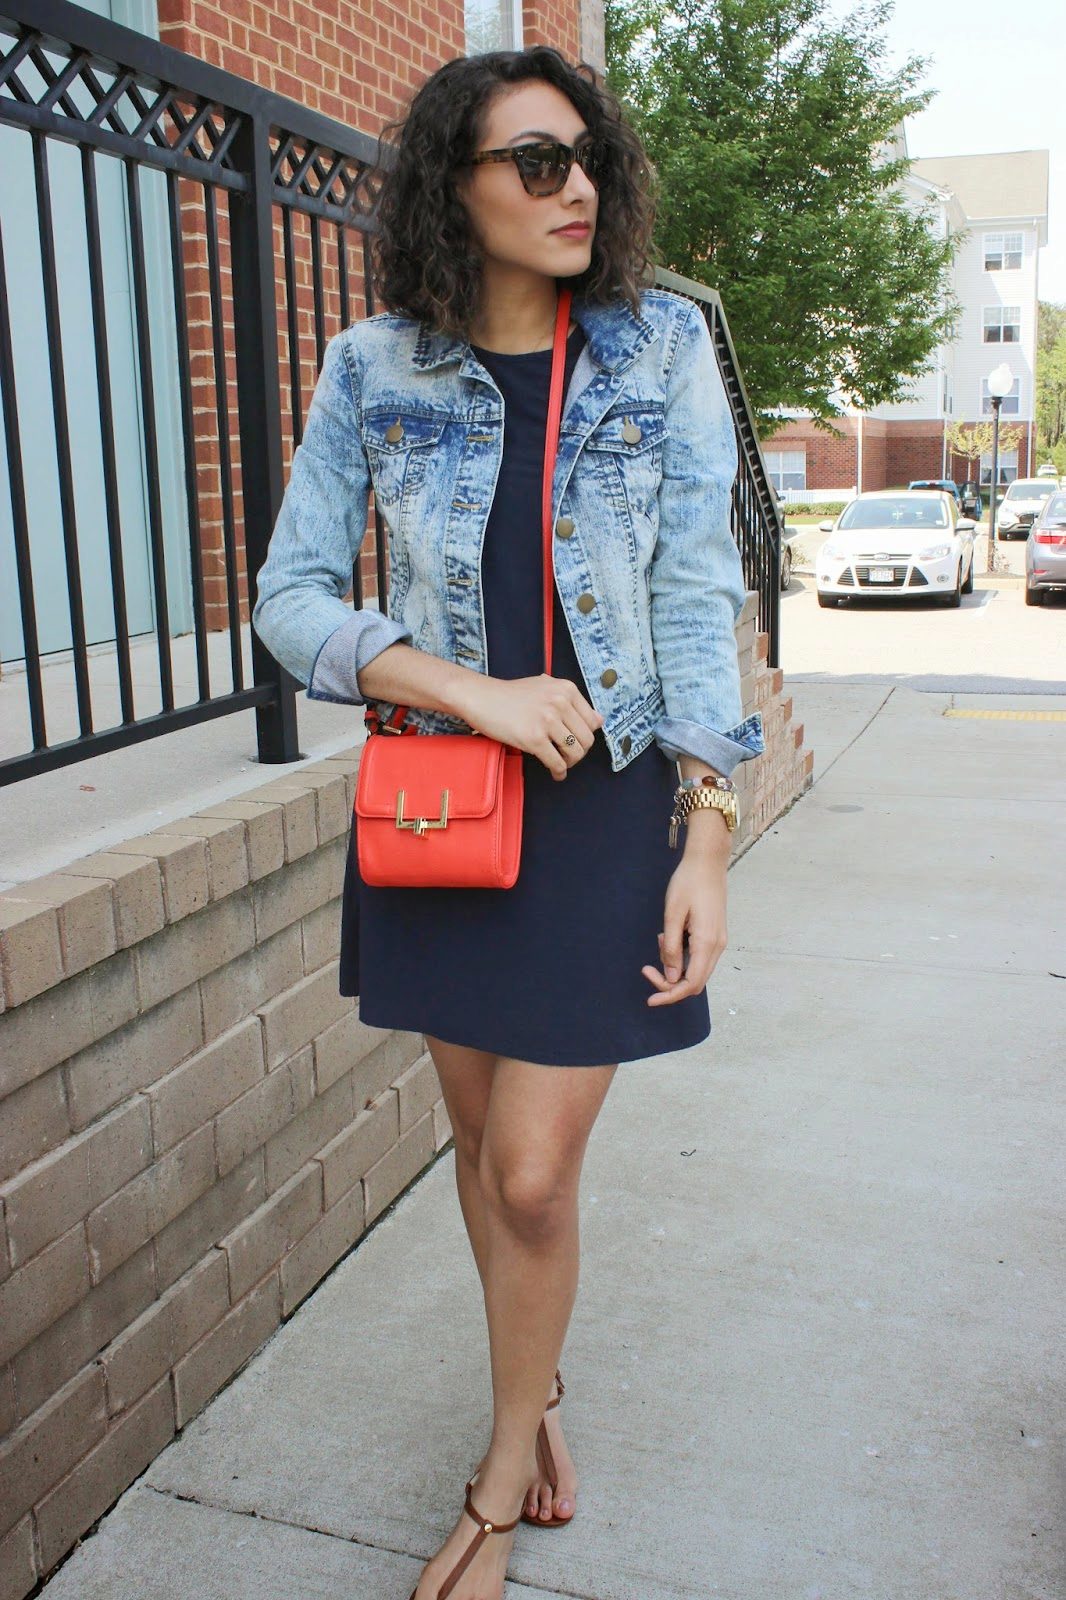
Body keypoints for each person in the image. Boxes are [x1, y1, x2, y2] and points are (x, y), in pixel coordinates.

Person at [252, 44, 765, 1600]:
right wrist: (463, 689)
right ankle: (529, 1394)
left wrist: (706, 831)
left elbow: (697, 591)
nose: (573, 186)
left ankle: (489, 1484)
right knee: (479, 1150)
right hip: (449, 801)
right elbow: (287, 600)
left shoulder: (658, 346)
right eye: (534, 162)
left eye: (584, 155)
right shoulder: (373, 366)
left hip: (606, 804)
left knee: (531, 1173)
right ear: (453, 188)